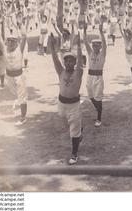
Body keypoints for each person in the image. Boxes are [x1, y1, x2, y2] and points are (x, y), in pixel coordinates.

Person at [48, 33, 84, 165]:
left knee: (73, 130)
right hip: (61, 105)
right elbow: (54, 59)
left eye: (71, 61)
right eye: (66, 61)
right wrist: (52, 46)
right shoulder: (61, 71)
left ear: (75, 63)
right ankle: (79, 132)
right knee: (68, 125)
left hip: (74, 105)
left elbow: (80, 60)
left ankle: (74, 154)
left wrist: (79, 46)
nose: (69, 63)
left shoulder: (78, 72)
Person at [0, 22, 29, 125]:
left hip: (19, 76)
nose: (11, 42)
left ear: (16, 43)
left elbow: (24, 36)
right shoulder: (5, 50)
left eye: (13, 41)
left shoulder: (19, 49)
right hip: (9, 77)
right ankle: (20, 100)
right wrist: (0, 23)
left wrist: (21, 23)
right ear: (6, 42)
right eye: (9, 41)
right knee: (15, 93)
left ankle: (23, 117)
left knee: (22, 97)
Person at [84, 23, 107, 127]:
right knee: (91, 96)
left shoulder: (102, 53)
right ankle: (98, 109)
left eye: (97, 45)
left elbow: (105, 44)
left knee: (98, 97)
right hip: (90, 76)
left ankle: (99, 118)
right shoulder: (90, 52)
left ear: (100, 46)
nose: (94, 47)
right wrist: (84, 31)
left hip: (98, 77)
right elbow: (85, 42)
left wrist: (101, 32)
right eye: (93, 45)